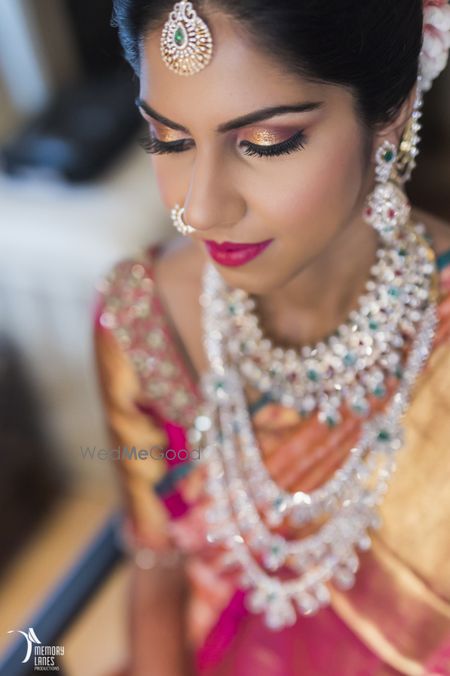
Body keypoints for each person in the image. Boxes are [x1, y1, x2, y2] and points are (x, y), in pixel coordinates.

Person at [93, 1, 450, 674]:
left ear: (391, 112)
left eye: (265, 143)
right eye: (167, 139)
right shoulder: (146, 317)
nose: (197, 208)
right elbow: (157, 558)